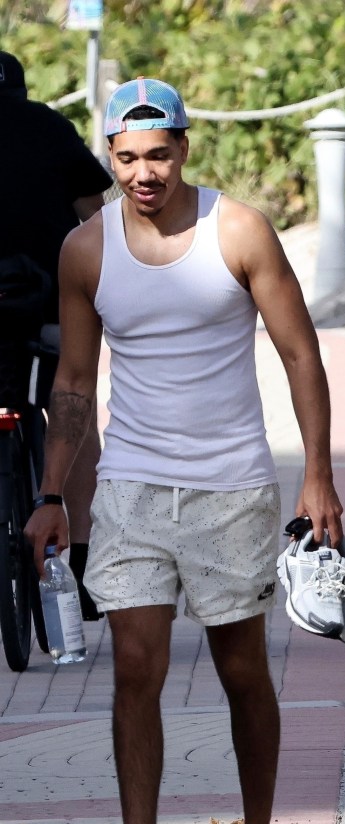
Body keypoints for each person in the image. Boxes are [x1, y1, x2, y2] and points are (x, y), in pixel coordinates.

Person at [24, 76, 344, 824]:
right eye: (125, 158)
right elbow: (74, 380)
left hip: (231, 486)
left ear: (184, 148)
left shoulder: (236, 230)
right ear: (111, 158)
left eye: (157, 154)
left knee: (242, 670)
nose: (142, 172)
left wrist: (317, 475)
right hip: (130, 485)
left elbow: (301, 355)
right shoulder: (86, 250)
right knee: (134, 667)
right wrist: (52, 491)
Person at [0, 50, 113, 619]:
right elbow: (95, 214)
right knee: (71, 409)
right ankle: (89, 562)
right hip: (51, 303)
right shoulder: (47, 124)